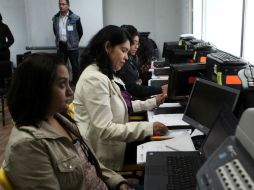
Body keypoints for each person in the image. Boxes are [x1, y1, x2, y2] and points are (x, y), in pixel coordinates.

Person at [3, 53, 133, 190]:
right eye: (62, 85)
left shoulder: (59, 118)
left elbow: (91, 163)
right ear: (38, 89)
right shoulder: (27, 146)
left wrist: (118, 182)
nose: (70, 92)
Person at [73, 25, 168, 171]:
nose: (126, 57)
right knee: (161, 154)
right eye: (123, 51)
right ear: (108, 47)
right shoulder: (94, 79)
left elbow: (123, 105)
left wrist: (152, 102)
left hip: (115, 142)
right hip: (104, 152)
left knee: (160, 147)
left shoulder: (104, 73)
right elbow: (105, 130)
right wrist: (149, 128)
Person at [119, 25, 167, 100]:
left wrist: (148, 71)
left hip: (138, 98)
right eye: (134, 43)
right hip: (135, 100)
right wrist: (159, 89)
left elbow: (138, 80)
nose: (137, 46)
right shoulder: (122, 63)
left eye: (138, 43)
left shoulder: (131, 58)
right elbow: (134, 89)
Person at [52, 0, 83, 85]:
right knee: (61, 66)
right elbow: (55, 31)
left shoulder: (75, 18)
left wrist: (74, 41)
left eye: (63, 4)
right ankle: (63, 82)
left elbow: (80, 32)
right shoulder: (55, 18)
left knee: (75, 66)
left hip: (72, 46)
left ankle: (76, 82)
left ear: (68, 6)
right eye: (59, 4)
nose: (61, 6)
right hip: (61, 46)